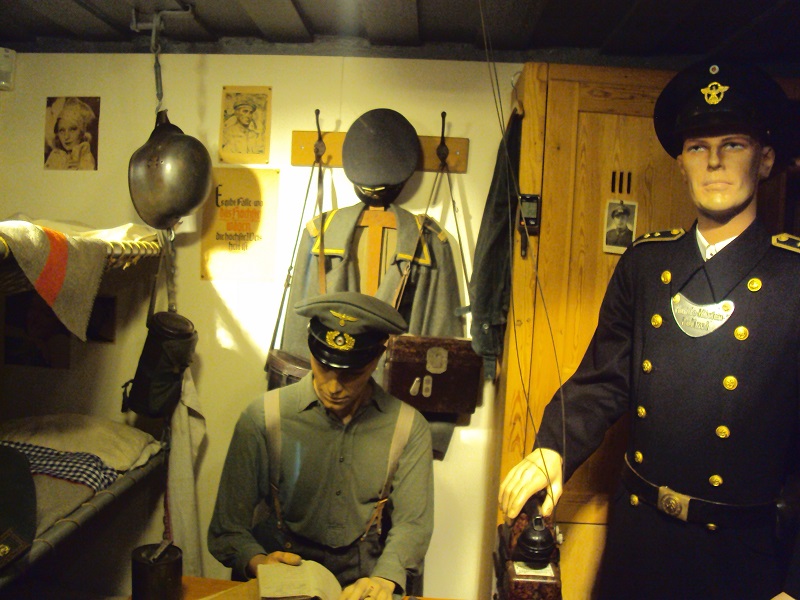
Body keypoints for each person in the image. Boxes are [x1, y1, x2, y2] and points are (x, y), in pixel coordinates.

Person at [498, 59, 800, 600]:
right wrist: (553, 448)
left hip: (743, 559)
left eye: (732, 143)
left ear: (766, 159)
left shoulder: (794, 277)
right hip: (640, 543)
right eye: (697, 147)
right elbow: (603, 380)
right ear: (681, 162)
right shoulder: (644, 264)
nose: (713, 161)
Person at [209, 291, 433, 600]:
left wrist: (385, 578)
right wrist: (258, 562)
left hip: (363, 583)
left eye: (351, 373)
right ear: (311, 349)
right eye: (324, 366)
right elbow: (227, 528)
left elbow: (413, 525)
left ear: (378, 358)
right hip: (282, 577)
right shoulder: (264, 418)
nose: (333, 386)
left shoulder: (408, 428)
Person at [44, 97, 96, 170]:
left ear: (82, 131)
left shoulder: (86, 158)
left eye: (72, 129)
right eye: (62, 130)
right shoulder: (54, 156)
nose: (66, 136)